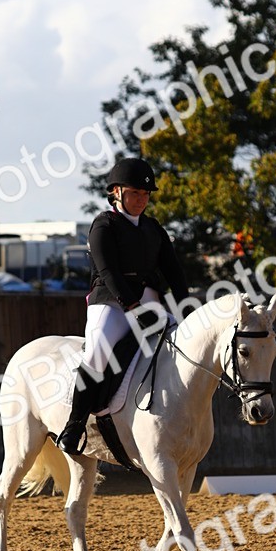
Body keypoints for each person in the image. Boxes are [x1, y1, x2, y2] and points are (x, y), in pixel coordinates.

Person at [56, 156, 190, 455]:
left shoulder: (153, 228)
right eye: (134, 193)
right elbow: (108, 272)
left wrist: (186, 308)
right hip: (111, 302)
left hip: (149, 300)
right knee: (98, 352)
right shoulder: (104, 225)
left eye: (145, 194)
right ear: (116, 192)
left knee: (184, 344)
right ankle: (75, 425)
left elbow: (174, 271)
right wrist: (132, 307)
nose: (141, 200)